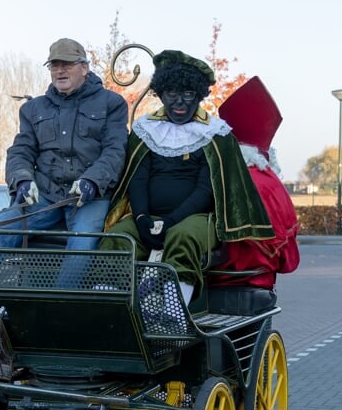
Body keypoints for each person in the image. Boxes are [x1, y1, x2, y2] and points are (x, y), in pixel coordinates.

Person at [101, 50, 274, 305]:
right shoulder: (145, 129)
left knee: (182, 237)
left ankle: (172, 311)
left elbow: (205, 190)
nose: (179, 102)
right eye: (172, 93)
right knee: (119, 238)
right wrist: (141, 219)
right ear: (161, 94)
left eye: (188, 94)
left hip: (195, 218)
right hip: (148, 216)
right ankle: (111, 307)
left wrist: (170, 221)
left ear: (199, 95)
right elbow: (137, 179)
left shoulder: (215, 133)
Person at [0, 38, 129, 250]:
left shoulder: (112, 104)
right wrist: (22, 180)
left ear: (84, 68)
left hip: (89, 198)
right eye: (54, 65)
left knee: (83, 245)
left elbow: (115, 151)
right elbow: (20, 151)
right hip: (44, 195)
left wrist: (92, 181)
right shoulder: (33, 109)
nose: (60, 71)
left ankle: (64, 285)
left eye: (67, 64)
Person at [207, 76, 301, 290]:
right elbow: (287, 259)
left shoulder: (217, 175)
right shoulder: (271, 183)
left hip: (212, 280)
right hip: (256, 282)